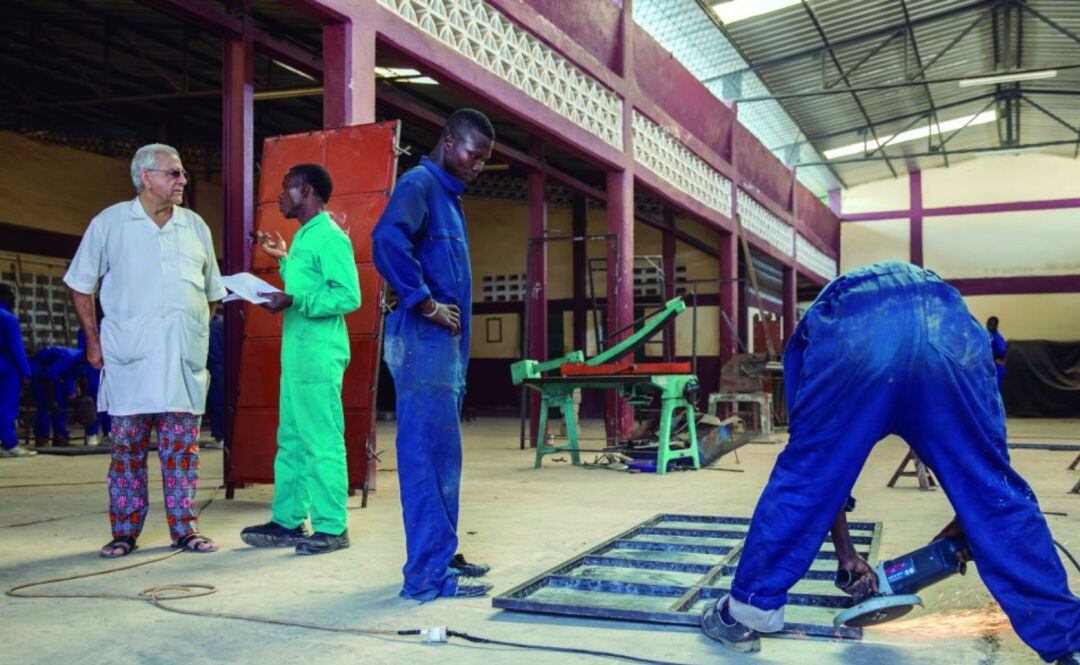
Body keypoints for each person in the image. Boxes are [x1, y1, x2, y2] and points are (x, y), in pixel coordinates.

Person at [699, 261, 1080, 664]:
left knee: (806, 476)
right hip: (947, 323)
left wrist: (845, 553)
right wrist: (971, 515)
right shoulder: (948, 309)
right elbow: (986, 463)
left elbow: (818, 475)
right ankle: (1067, 641)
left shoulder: (821, 320)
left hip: (859, 329)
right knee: (992, 489)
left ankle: (746, 613)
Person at [65, 143, 226, 558]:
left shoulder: (195, 227)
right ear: (146, 177)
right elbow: (81, 285)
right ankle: (124, 532)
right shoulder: (111, 223)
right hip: (130, 362)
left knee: (182, 451)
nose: (182, 180)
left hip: (181, 363)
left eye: (182, 173)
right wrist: (94, 342)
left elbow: (212, 293)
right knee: (127, 451)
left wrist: (193, 331)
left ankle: (184, 529)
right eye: (174, 173)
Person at [372, 108, 496, 600]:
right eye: (473, 155)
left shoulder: (448, 197)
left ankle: (440, 556)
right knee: (426, 456)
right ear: (448, 142)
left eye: (485, 159)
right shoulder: (419, 184)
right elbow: (385, 240)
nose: (478, 165)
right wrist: (423, 302)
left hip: (444, 354)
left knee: (445, 458)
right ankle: (425, 576)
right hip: (424, 346)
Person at [239, 163, 361, 556]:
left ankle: (331, 526)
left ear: (306, 191)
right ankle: (289, 520)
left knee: (321, 440)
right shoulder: (305, 237)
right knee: (291, 439)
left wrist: (294, 300)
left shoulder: (329, 237)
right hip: (298, 355)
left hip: (318, 356)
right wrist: (284, 261)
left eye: (286, 188)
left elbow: (348, 296)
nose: (280, 195)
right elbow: (309, 283)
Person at [0, 283, 34, 458]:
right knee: (7, 406)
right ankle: (9, 444)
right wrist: (26, 373)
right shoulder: (8, 318)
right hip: (7, 366)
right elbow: (16, 348)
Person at [30, 345, 84, 447]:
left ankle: (60, 436)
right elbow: (52, 375)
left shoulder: (82, 362)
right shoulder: (70, 357)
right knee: (45, 406)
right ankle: (42, 438)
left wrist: (70, 393)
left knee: (60, 405)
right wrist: (52, 397)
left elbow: (71, 376)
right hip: (39, 371)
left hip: (51, 373)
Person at [78, 327, 110, 447]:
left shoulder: (109, 325)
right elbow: (82, 352)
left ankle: (102, 434)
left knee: (105, 401)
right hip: (95, 367)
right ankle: (95, 433)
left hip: (104, 367)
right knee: (95, 401)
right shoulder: (88, 328)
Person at [204, 310, 224, 449]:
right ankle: (220, 436)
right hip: (220, 367)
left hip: (214, 368)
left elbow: (210, 352)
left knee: (215, 402)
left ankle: (219, 437)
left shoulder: (211, 326)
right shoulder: (219, 323)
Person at [987, 315, 1007, 390]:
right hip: (989, 366)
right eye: (989, 324)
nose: (989, 326)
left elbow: (1002, 351)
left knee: (995, 390)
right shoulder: (987, 336)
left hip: (996, 366)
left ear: (996, 325)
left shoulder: (997, 338)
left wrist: (994, 358)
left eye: (992, 324)